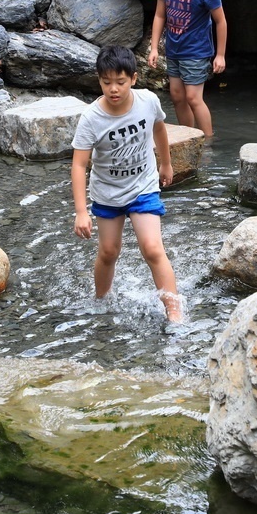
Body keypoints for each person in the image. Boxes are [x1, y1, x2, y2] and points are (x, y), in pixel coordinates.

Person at [72, 45, 183, 322]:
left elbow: (158, 128)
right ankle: (101, 301)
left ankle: (175, 313)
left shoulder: (147, 101)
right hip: (108, 193)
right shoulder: (91, 118)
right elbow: (79, 165)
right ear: (99, 80)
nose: (113, 89)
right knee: (109, 251)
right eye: (106, 82)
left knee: (152, 248)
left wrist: (166, 163)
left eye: (120, 82)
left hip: (143, 186)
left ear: (133, 78)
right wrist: (81, 211)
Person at [147, 0, 228, 137]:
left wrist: (220, 55)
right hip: (174, 49)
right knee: (176, 96)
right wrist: (154, 47)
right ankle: (189, 137)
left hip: (196, 51)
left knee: (193, 97)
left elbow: (220, 21)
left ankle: (207, 140)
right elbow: (159, 16)